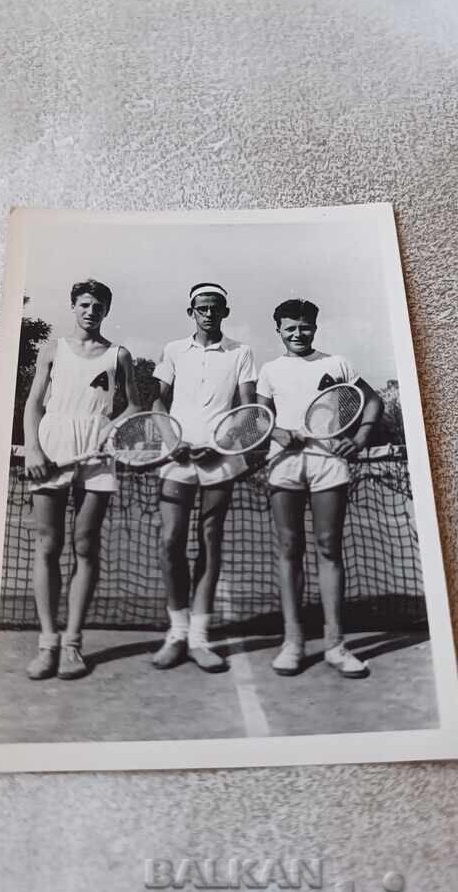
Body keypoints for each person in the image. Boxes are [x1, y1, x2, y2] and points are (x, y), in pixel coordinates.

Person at [257, 298, 383, 677]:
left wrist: (359, 440)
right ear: (278, 330)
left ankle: (336, 645)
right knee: (289, 548)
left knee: (329, 547)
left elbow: (372, 401)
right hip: (284, 462)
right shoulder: (269, 370)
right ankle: (292, 643)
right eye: (290, 328)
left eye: (305, 326)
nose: (298, 333)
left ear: (315, 327)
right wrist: (280, 431)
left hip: (328, 462)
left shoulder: (336, 363)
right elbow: (259, 419)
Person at [23, 278, 140, 680]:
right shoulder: (52, 349)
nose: (91, 311)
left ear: (107, 310)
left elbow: (134, 408)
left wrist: (112, 432)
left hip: (97, 455)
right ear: (74, 307)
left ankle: (73, 644)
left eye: (99, 305)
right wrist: (34, 449)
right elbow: (34, 404)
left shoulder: (119, 355)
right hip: (52, 448)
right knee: (48, 545)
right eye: (85, 304)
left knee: (86, 545)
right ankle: (47, 643)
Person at [151, 282, 256, 671]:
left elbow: (248, 409)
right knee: (170, 541)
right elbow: (157, 399)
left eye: (215, 308)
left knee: (210, 541)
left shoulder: (242, 352)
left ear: (225, 312)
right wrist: (170, 439)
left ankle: (198, 638)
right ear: (191, 311)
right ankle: (177, 632)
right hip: (176, 458)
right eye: (201, 308)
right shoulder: (174, 350)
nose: (208, 313)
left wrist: (223, 442)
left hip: (220, 460)